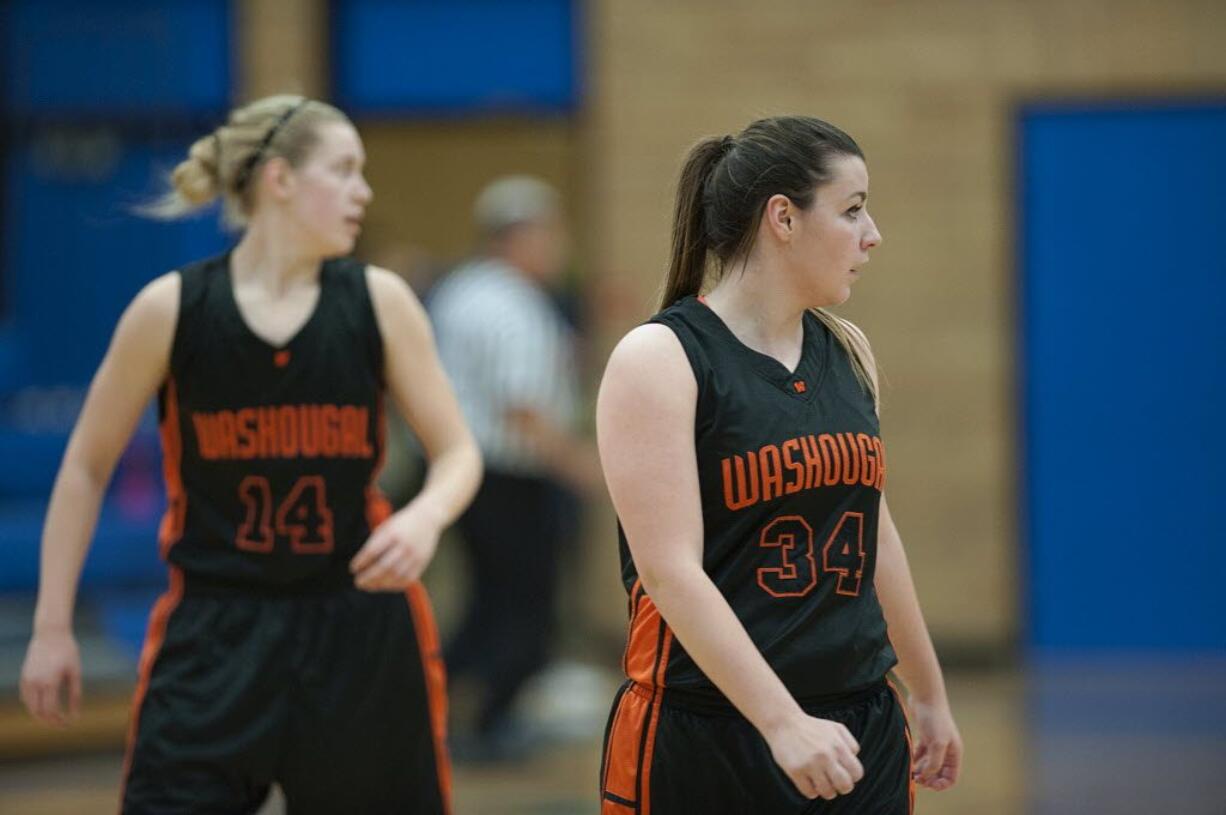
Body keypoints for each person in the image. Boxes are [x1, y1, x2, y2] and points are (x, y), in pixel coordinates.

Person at [18, 94, 482, 814]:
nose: (364, 191)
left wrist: (425, 517)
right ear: (280, 180)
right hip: (215, 628)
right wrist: (51, 627)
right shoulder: (170, 309)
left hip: (354, 626)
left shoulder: (378, 301)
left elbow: (458, 452)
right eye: (346, 169)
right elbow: (84, 466)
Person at [595, 116, 962, 814]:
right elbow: (670, 570)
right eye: (852, 210)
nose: (872, 233)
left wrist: (929, 691)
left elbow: (873, 531)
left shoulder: (846, 349)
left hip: (859, 725)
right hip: (709, 733)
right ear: (783, 218)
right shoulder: (661, 358)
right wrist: (781, 720)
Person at [428, 175, 595, 757]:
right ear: (518, 236)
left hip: (473, 472)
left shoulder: (468, 291)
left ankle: (430, 713)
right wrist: (585, 471)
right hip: (506, 476)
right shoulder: (505, 303)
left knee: (490, 603)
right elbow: (523, 410)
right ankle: (487, 722)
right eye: (549, 233)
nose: (557, 246)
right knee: (525, 606)